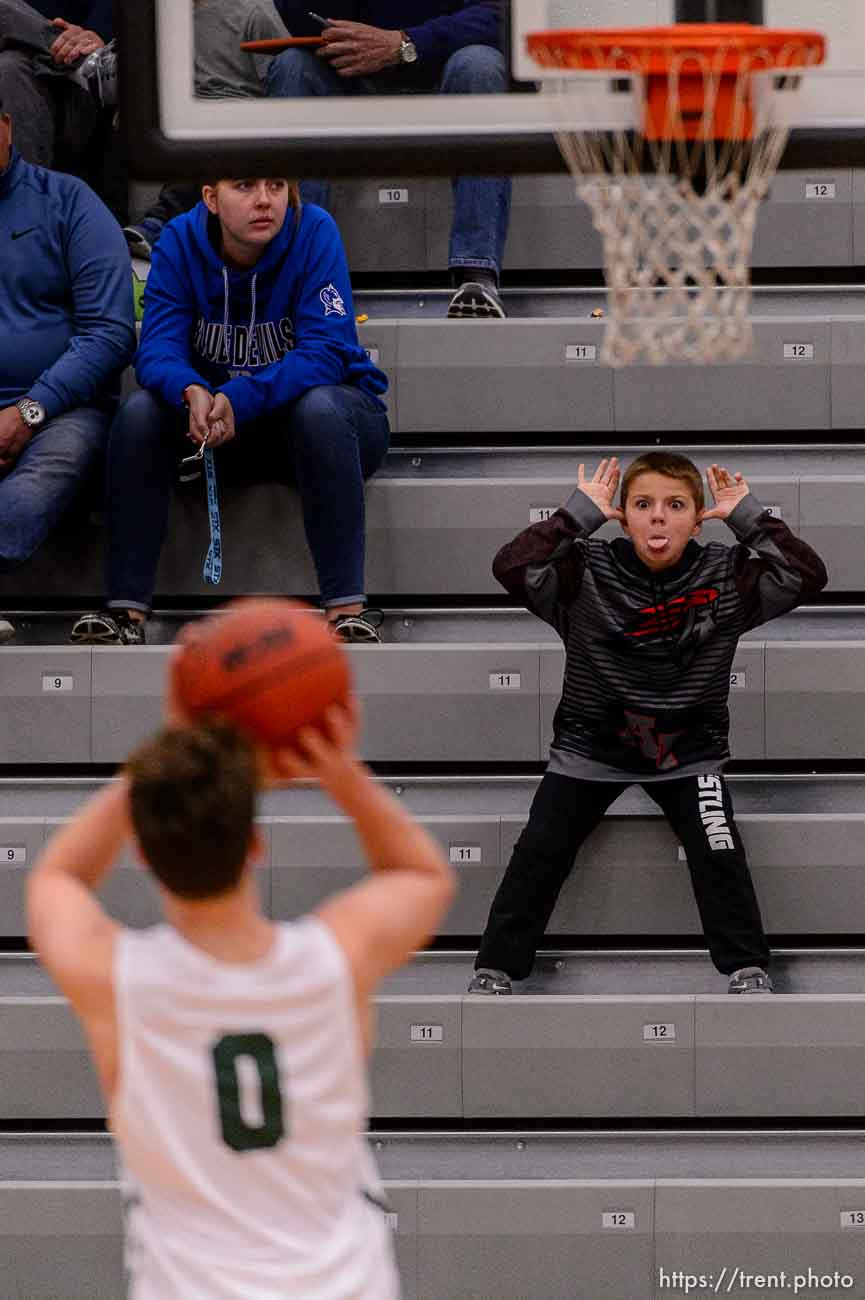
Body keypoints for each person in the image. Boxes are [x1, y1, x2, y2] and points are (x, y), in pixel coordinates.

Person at [27, 655, 455, 1298]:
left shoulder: (116, 980)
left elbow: (54, 878)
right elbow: (424, 875)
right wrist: (340, 775)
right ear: (256, 844)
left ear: (141, 853)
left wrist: (160, 760)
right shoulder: (335, 959)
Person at [469, 452, 829, 996]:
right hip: (589, 750)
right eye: (643, 505)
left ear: (698, 517)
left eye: (675, 505)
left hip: (689, 755)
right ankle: (494, 969)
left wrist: (748, 517)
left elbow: (806, 575)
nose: (658, 517)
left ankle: (746, 968)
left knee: (719, 850)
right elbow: (510, 567)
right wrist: (575, 516)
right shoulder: (583, 569)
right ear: (622, 515)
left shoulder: (727, 574)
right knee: (540, 849)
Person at [71, 175, 390, 647]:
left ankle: (346, 612)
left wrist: (241, 398)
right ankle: (126, 613)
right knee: (139, 414)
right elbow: (156, 348)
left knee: (320, 409)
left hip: (319, 428)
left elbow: (326, 351)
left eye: (276, 186)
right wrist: (190, 389)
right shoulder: (180, 239)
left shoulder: (314, 231)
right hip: (214, 430)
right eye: (244, 186)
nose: (264, 200)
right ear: (210, 198)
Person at [272, 0, 511, 319]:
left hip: (447, 76)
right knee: (292, 66)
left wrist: (406, 42)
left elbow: (501, 16)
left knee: (480, 64)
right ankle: (297, 277)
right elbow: (299, 21)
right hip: (358, 78)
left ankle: (476, 276)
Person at [0, 90, 135, 642]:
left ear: (6, 126)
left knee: (46, 472)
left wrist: (29, 410)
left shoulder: (69, 202)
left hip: (61, 411)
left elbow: (110, 333)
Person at [123, 0, 295, 260]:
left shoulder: (254, 11)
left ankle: (158, 223)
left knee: (203, 132)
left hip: (239, 110)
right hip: (182, 106)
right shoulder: (160, 18)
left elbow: (286, 74)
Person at [0, 1, 117, 201]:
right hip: (21, 82)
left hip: (78, 102)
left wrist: (96, 37)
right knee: (11, 67)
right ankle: (90, 63)